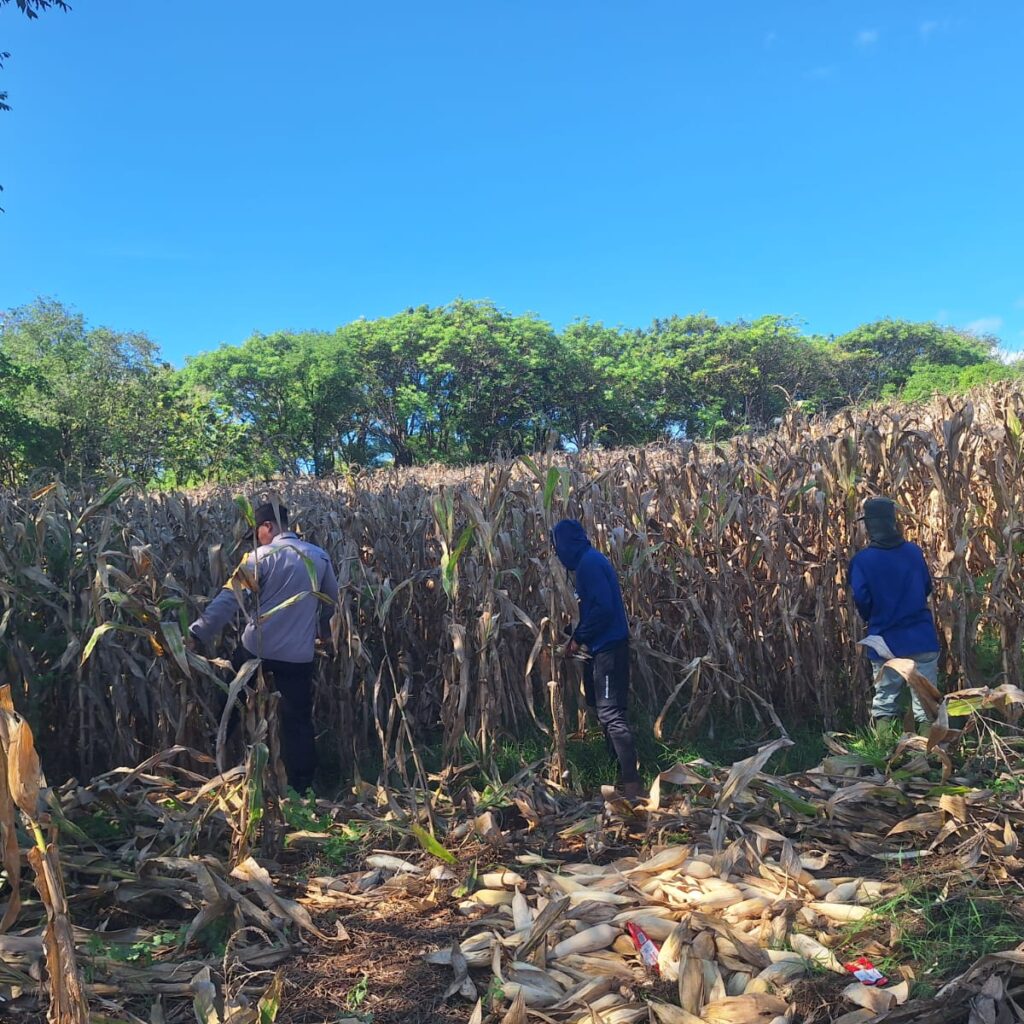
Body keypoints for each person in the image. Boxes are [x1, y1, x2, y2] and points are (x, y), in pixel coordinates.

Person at [189, 502, 339, 792]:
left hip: (256, 649)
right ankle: (301, 788)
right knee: (297, 722)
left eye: (258, 531)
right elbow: (329, 604)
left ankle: (209, 765)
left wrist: (198, 634)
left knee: (228, 706)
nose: (257, 538)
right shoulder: (319, 557)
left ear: (268, 526)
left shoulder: (259, 558)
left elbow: (228, 600)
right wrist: (324, 636)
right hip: (298, 656)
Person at [550, 518, 642, 800]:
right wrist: (574, 632)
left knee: (611, 714)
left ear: (566, 545)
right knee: (604, 711)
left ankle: (633, 786)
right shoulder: (590, 562)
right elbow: (595, 609)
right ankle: (621, 776)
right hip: (602, 646)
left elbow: (602, 609)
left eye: (557, 547)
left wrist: (578, 639)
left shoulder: (589, 565)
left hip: (608, 648)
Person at [848, 496, 941, 733]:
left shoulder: (862, 561)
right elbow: (926, 588)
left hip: (884, 641)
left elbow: (862, 600)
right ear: (893, 522)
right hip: (921, 637)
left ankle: (883, 757)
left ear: (869, 527)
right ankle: (927, 756)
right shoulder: (913, 552)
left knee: (885, 702)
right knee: (925, 704)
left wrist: (875, 617)